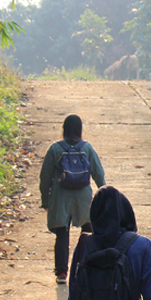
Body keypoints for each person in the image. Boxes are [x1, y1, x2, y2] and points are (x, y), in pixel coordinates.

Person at [39, 114, 105, 284]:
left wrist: (45, 201)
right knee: (88, 230)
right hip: (83, 196)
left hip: (61, 196)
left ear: (64, 129)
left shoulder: (55, 149)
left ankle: (61, 273)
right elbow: (99, 173)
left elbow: (44, 178)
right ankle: (90, 266)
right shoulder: (87, 148)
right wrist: (103, 193)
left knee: (62, 232)